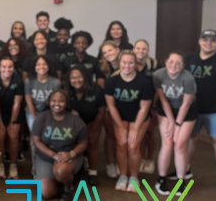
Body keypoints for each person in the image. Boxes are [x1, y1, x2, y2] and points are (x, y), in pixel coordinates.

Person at [104, 51, 153, 192]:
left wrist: (135, 128)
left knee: (133, 146)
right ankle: (123, 175)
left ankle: (134, 177)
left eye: (131, 62)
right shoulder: (111, 81)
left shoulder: (144, 81)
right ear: (119, 64)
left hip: (139, 117)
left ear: (136, 64)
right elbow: (111, 106)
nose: (127, 65)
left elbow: (144, 108)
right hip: (120, 117)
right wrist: (121, 127)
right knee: (121, 143)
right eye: (124, 62)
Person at [153, 51, 197, 196]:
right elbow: (163, 100)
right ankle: (161, 179)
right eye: (171, 61)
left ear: (183, 66)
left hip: (186, 111)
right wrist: (171, 122)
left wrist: (177, 125)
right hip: (166, 110)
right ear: (166, 63)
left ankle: (181, 181)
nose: (174, 65)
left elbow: (185, 105)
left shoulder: (188, 78)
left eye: (178, 63)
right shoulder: (158, 75)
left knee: (179, 143)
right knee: (167, 141)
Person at [31, 90, 88, 201]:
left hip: (69, 156)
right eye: (54, 101)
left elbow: (83, 142)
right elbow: (36, 141)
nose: (57, 104)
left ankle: (68, 186)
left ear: (66, 103)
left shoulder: (75, 120)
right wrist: (53, 155)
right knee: (46, 193)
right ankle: (62, 181)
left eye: (61, 101)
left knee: (61, 171)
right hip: (46, 156)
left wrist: (71, 154)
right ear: (49, 102)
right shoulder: (42, 118)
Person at [186, 29, 216, 187]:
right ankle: (185, 169)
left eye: (213, 40)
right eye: (205, 39)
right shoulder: (189, 59)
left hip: (215, 109)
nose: (209, 43)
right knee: (191, 139)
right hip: (192, 109)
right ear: (199, 41)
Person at [66, 65, 106, 186]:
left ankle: (93, 172)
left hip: (92, 122)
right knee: (74, 145)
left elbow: (101, 111)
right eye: (73, 77)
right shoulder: (66, 91)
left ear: (85, 77)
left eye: (79, 77)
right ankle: (78, 169)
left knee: (92, 143)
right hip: (72, 126)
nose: (76, 80)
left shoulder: (96, 89)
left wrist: (94, 128)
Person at [0, 58, 24, 180]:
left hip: (14, 112)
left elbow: (17, 103)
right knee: (0, 135)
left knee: (13, 135)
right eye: (4, 67)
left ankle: (13, 165)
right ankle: (0, 164)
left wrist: (12, 122)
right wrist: (1, 123)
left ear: (13, 68)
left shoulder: (18, 80)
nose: (7, 70)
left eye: (10, 67)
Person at [133, 39, 159, 175]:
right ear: (134, 49)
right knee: (140, 135)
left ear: (148, 50)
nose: (140, 51)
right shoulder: (130, 63)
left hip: (151, 103)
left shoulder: (154, 64)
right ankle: (141, 158)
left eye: (144, 49)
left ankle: (150, 159)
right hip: (135, 104)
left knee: (150, 132)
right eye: (138, 48)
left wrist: (154, 106)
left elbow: (157, 87)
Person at [98, 40, 121, 179]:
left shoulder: (127, 64)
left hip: (125, 104)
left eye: (110, 51)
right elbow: (103, 88)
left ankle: (121, 163)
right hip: (108, 104)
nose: (108, 54)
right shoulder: (102, 68)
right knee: (110, 135)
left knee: (123, 137)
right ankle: (110, 164)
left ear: (117, 50)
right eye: (105, 52)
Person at [24, 55, 61, 131]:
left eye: (44, 64)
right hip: (33, 111)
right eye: (38, 64)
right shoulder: (29, 81)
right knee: (35, 131)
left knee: (47, 133)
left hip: (49, 112)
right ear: (34, 67)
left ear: (49, 66)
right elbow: (29, 102)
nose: (41, 67)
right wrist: (35, 118)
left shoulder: (56, 82)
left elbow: (55, 103)